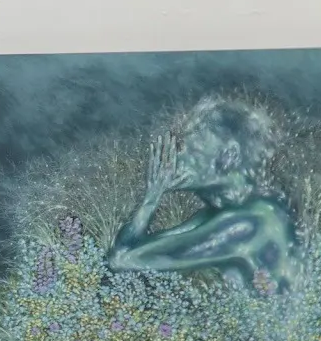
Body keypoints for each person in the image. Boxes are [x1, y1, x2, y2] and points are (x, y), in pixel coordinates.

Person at [106, 95, 303, 294]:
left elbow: (123, 259)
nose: (178, 158)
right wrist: (151, 198)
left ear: (228, 156)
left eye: (193, 151)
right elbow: (121, 252)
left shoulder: (252, 222)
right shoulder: (216, 216)